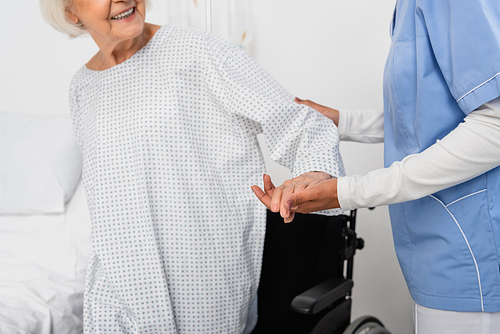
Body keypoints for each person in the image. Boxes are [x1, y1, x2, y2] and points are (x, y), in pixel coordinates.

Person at [39, 0, 345, 333]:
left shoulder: (198, 53)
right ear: (71, 13)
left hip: (202, 279)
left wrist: (315, 171)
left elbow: (302, 123)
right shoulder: (81, 88)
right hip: (118, 287)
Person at [252, 1, 500, 333]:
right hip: (434, 249)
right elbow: (426, 113)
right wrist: (342, 121)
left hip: (470, 255)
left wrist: (348, 192)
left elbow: (494, 124)